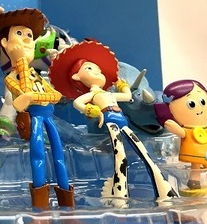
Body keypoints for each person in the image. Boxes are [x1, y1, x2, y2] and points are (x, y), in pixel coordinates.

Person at [49, 40, 178, 204]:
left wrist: (123, 86)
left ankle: (164, 190)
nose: (97, 72)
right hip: (110, 124)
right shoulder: (93, 95)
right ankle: (119, 196)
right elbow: (77, 103)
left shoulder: (108, 93)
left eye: (97, 69)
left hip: (122, 122)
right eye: (89, 69)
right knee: (120, 156)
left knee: (143, 153)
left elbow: (127, 97)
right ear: (76, 77)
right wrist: (89, 109)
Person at [0, 8, 74, 218]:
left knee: (59, 158)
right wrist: (30, 92)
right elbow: (20, 98)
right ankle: (40, 211)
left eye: (29, 36)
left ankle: (69, 208)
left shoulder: (37, 76)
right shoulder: (12, 78)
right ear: (5, 43)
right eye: (19, 34)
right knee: (37, 158)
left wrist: (36, 95)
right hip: (36, 121)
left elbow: (55, 95)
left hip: (48, 121)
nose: (25, 40)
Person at [154, 79, 207, 189]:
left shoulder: (206, 128)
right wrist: (175, 128)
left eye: (203, 102)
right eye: (191, 104)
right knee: (196, 165)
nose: (199, 108)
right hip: (195, 152)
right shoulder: (187, 129)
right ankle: (194, 180)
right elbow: (182, 133)